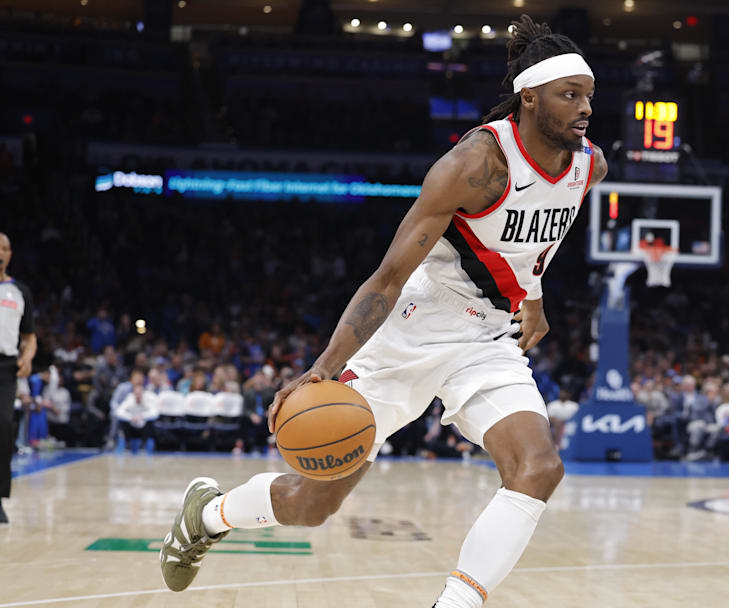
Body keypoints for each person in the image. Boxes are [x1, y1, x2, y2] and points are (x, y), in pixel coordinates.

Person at [159, 15, 608, 608]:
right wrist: (324, 365)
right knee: (312, 503)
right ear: (529, 97)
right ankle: (210, 514)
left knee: (538, 467)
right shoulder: (474, 165)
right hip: (412, 329)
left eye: (589, 97)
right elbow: (389, 276)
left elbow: (530, 239)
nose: (584, 109)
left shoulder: (588, 167)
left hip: (487, 339)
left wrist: (534, 297)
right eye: (569, 95)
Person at [0, 232, 35, 524]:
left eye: (5, 248)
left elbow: (30, 336)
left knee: (4, 426)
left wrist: (27, 357)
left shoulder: (20, 291)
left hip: (6, 366)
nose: (1, 252)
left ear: (10, 254)